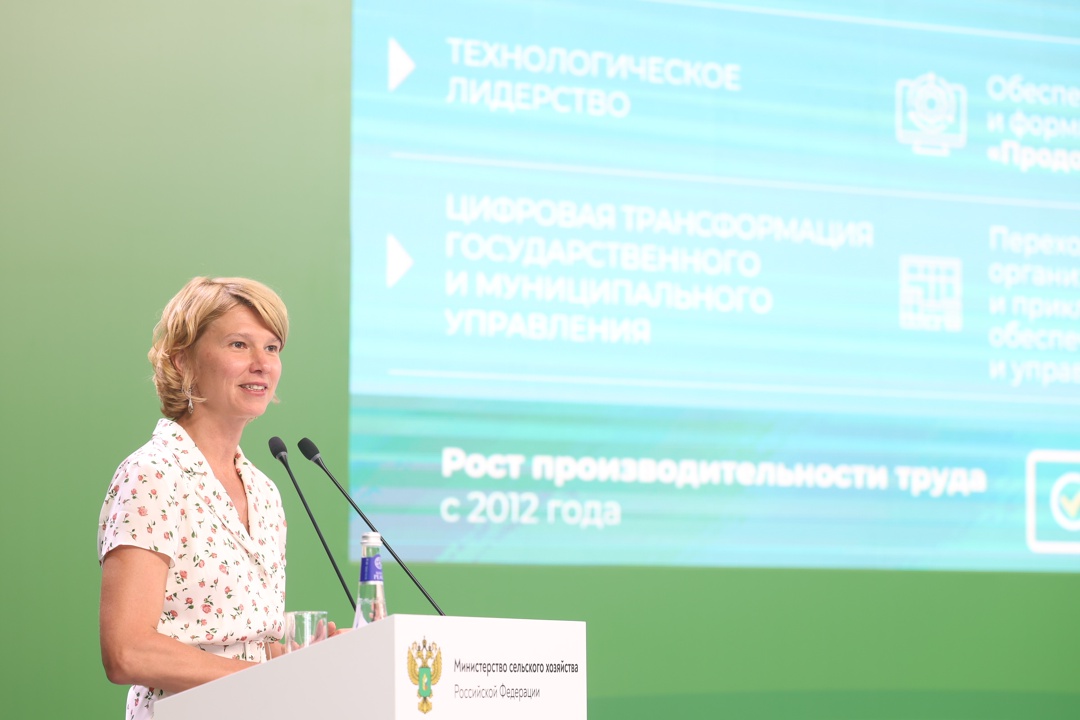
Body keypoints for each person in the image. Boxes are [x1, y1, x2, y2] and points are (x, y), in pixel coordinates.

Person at [98, 276, 292, 720]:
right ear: (182, 360)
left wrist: (313, 656)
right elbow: (127, 651)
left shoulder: (264, 491)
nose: (262, 363)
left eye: (272, 347)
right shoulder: (154, 475)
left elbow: (245, 643)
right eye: (239, 344)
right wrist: (264, 678)